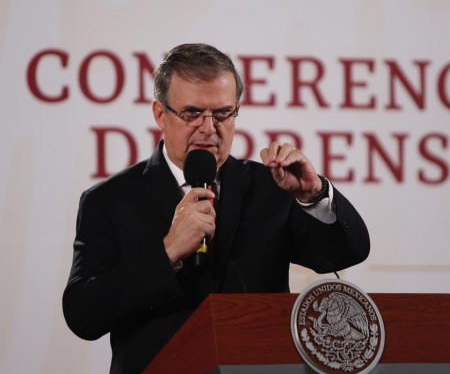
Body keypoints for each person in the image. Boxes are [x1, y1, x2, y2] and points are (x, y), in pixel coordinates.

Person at [62, 43, 370, 373]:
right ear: (160, 114)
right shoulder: (110, 200)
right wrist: (167, 253)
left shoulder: (272, 186)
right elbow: (84, 314)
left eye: (222, 113)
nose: (209, 128)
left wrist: (314, 194)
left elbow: (345, 253)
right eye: (192, 113)